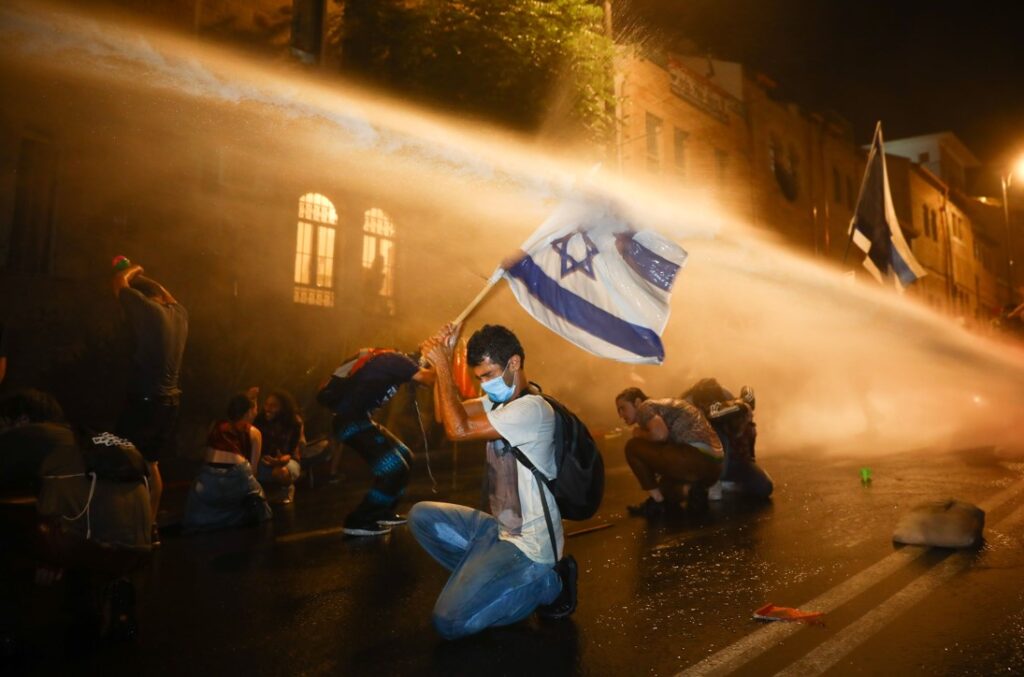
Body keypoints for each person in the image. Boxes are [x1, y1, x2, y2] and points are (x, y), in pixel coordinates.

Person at [413, 323, 575, 640]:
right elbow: (444, 415)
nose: (485, 385)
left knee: (450, 623)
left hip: (529, 548)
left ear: (514, 363)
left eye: (489, 375)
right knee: (422, 516)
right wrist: (439, 365)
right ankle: (485, 579)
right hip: (500, 530)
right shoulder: (499, 401)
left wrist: (444, 364)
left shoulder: (533, 410)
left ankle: (548, 583)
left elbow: (457, 431)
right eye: (480, 378)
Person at [0, 390, 152, 651]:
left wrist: (47, 551)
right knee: (74, 527)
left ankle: (7, 628)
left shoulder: (25, 435)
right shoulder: (86, 438)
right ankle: (110, 597)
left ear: (21, 420)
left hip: (77, 541)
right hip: (133, 551)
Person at [318, 349, 434, 536]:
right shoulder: (396, 360)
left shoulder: (390, 363)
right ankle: (359, 520)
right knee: (393, 468)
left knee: (405, 456)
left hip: (361, 419)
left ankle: (382, 512)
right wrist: (441, 360)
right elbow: (429, 379)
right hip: (350, 421)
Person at [112, 262, 188, 547]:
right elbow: (166, 294)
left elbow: (119, 282)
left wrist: (133, 269)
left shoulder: (146, 311)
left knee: (121, 457)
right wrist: (146, 278)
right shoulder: (180, 315)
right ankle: (150, 526)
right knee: (152, 462)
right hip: (170, 403)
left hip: (144, 401)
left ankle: (124, 525)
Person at [614, 387, 724, 517]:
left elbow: (660, 435)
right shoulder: (663, 406)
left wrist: (639, 433)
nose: (620, 415)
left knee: (632, 447)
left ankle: (657, 502)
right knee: (665, 487)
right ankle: (691, 492)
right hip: (715, 468)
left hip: (694, 456)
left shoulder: (645, 407)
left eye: (623, 408)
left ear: (637, 402)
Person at [182, 392, 271, 533]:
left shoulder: (216, 425)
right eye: (254, 409)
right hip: (238, 475)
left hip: (208, 477)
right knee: (260, 502)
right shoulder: (254, 432)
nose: (256, 412)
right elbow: (253, 471)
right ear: (248, 412)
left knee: (197, 499)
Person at [681, 379, 773, 500]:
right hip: (698, 461)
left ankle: (724, 483)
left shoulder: (726, 399)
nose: (708, 406)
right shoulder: (686, 407)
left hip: (729, 458)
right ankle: (707, 482)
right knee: (716, 431)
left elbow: (747, 396)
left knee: (764, 487)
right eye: (705, 403)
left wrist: (742, 405)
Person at [253, 390, 304, 504]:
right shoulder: (260, 420)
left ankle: (287, 488)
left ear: (283, 408)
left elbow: (290, 452)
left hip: (286, 462)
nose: (268, 408)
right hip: (264, 462)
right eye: (266, 404)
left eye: (273, 406)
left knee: (279, 472)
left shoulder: (293, 422)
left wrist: (279, 461)